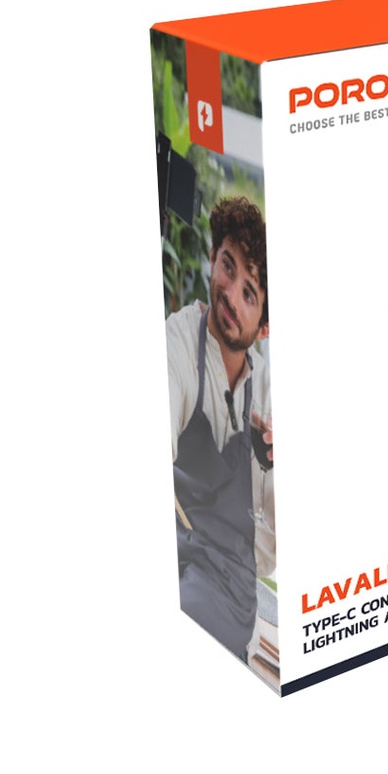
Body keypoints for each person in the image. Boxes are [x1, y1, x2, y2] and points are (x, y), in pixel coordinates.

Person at [165, 195, 273, 660]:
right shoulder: (178, 342)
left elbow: (272, 549)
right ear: (212, 258)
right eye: (228, 266)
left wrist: (274, 467)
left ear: (264, 328)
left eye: (250, 294)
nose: (230, 294)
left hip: (224, 586)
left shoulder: (268, 394)